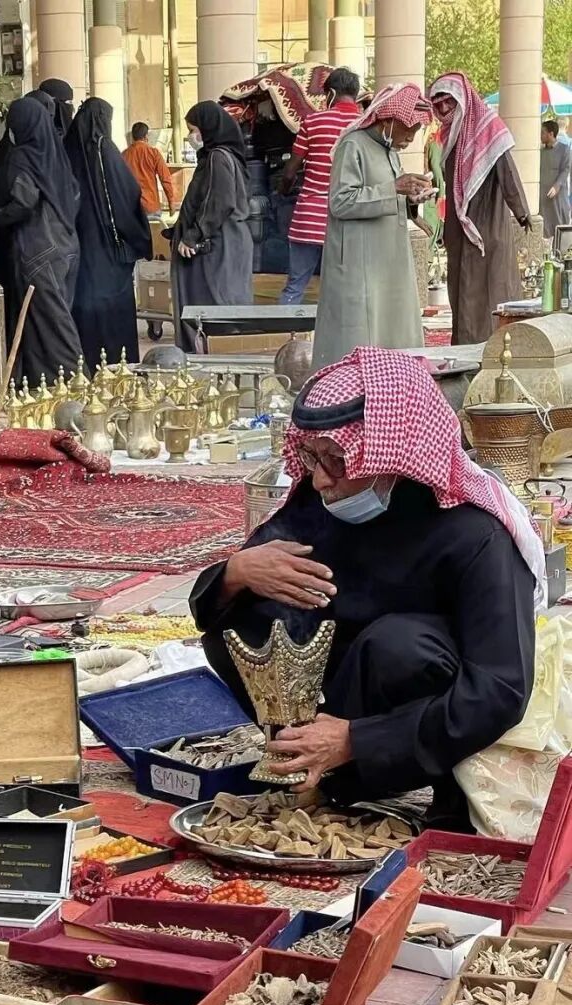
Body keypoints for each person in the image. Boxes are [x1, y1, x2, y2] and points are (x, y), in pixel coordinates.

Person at [190, 347, 542, 831]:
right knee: (240, 624)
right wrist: (236, 572)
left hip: (420, 713)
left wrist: (357, 739)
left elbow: (499, 692)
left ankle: (435, 790)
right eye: (311, 457)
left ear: (391, 453)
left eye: (337, 459)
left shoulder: (475, 534)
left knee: (397, 645)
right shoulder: (316, 506)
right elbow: (212, 614)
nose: (319, 479)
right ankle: (308, 766)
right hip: (340, 687)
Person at [311, 84, 433, 370]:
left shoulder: (390, 151)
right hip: (360, 265)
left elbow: (387, 196)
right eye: (408, 129)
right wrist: (394, 188)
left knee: (393, 332)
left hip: (388, 262)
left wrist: (412, 200)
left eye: (416, 131)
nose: (411, 137)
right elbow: (340, 202)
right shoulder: (353, 145)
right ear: (388, 119)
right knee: (362, 339)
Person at [429, 73, 530, 345]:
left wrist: (521, 211)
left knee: (492, 291)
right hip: (458, 229)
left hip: (488, 225)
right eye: (438, 103)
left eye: (448, 102)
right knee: (461, 292)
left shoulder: (489, 128)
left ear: (462, 100)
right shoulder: (450, 135)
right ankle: (464, 347)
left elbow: (507, 173)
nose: (443, 108)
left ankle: (496, 348)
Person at [0, 95, 82, 384]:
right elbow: (75, 194)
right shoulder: (55, 152)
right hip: (66, 244)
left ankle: (76, 381)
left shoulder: (22, 156)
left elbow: (24, 200)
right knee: (52, 316)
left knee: (53, 322)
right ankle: (40, 380)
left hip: (38, 248)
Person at [65, 98, 151, 365]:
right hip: (108, 252)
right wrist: (139, 239)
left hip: (78, 246)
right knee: (112, 315)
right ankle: (116, 366)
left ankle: (86, 366)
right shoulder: (104, 150)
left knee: (85, 310)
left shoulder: (67, 150)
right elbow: (125, 195)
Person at [170, 102, 253, 352]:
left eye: (193, 130)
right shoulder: (224, 157)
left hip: (219, 244)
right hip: (226, 240)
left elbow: (220, 200)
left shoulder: (218, 157)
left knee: (216, 305)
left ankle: (215, 357)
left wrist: (194, 234)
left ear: (208, 128)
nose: (191, 137)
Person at [278, 67, 362, 305]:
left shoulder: (313, 122)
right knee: (346, 289)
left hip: (308, 219)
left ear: (331, 93)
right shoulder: (365, 125)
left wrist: (282, 191)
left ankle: (285, 328)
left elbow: (290, 172)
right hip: (347, 221)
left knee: (295, 286)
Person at [122, 122, 177, 217]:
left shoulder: (124, 155)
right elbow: (165, 179)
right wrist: (171, 202)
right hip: (151, 207)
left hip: (130, 209)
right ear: (146, 136)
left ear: (133, 136)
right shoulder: (154, 153)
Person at [541, 119, 572, 239]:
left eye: (543, 132)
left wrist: (556, 186)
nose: (541, 135)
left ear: (551, 134)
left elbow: (565, 170)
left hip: (558, 196)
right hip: (543, 197)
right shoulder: (540, 152)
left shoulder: (565, 150)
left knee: (559, 228)